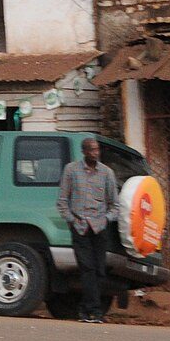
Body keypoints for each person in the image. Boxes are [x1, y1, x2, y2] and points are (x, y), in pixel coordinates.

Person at [57, 137, 120, 324]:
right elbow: (62, 201)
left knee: (99, 270)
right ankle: (94, 311)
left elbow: (115, 205)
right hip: (80, 227)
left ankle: (86, 309)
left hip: (100, 228)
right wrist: (72, 221)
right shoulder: (71, 170)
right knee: (87, 268)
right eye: (91, 150)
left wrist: (105, 220)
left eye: (97, 149)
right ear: (84, 151)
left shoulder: (107, 173)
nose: (95, 153)